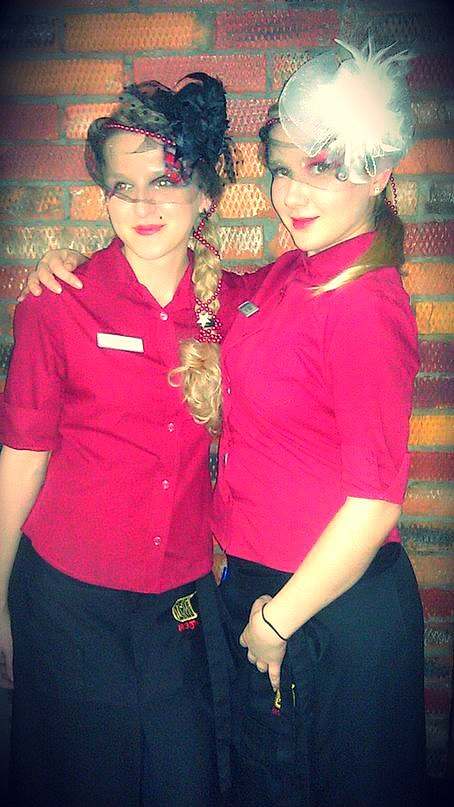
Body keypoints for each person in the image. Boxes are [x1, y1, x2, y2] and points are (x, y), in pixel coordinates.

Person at [20, 40, 426, 807]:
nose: (292, 192)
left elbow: (376, 502)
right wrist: (66, 276)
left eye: (322, 167)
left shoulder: (366, 304)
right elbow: (189, 292)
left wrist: (278, 619)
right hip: (246, 594)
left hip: (319, 607)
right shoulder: (281, 278)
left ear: (378, 172)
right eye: (282, 168)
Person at [0, 73, 248, 806]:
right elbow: (20, 459)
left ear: (205, 193)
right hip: (67, 601)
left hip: (180, 598)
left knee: (186, 780)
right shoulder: (59, 304)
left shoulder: (238, 308)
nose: (142, 206)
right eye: (122, 187)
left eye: (164, 182)